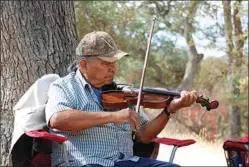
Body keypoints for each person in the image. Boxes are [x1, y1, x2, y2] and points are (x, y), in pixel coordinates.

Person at [45, 31, 198, 167]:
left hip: (126, 162)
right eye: (106, 63)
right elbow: (58, 120)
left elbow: (144, 135)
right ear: (84, 65)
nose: (113, 68)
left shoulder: (121, 93)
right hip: (86, 162)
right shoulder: (63, 86)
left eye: (114, 62)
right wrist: (113, 116)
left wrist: (169, 110)